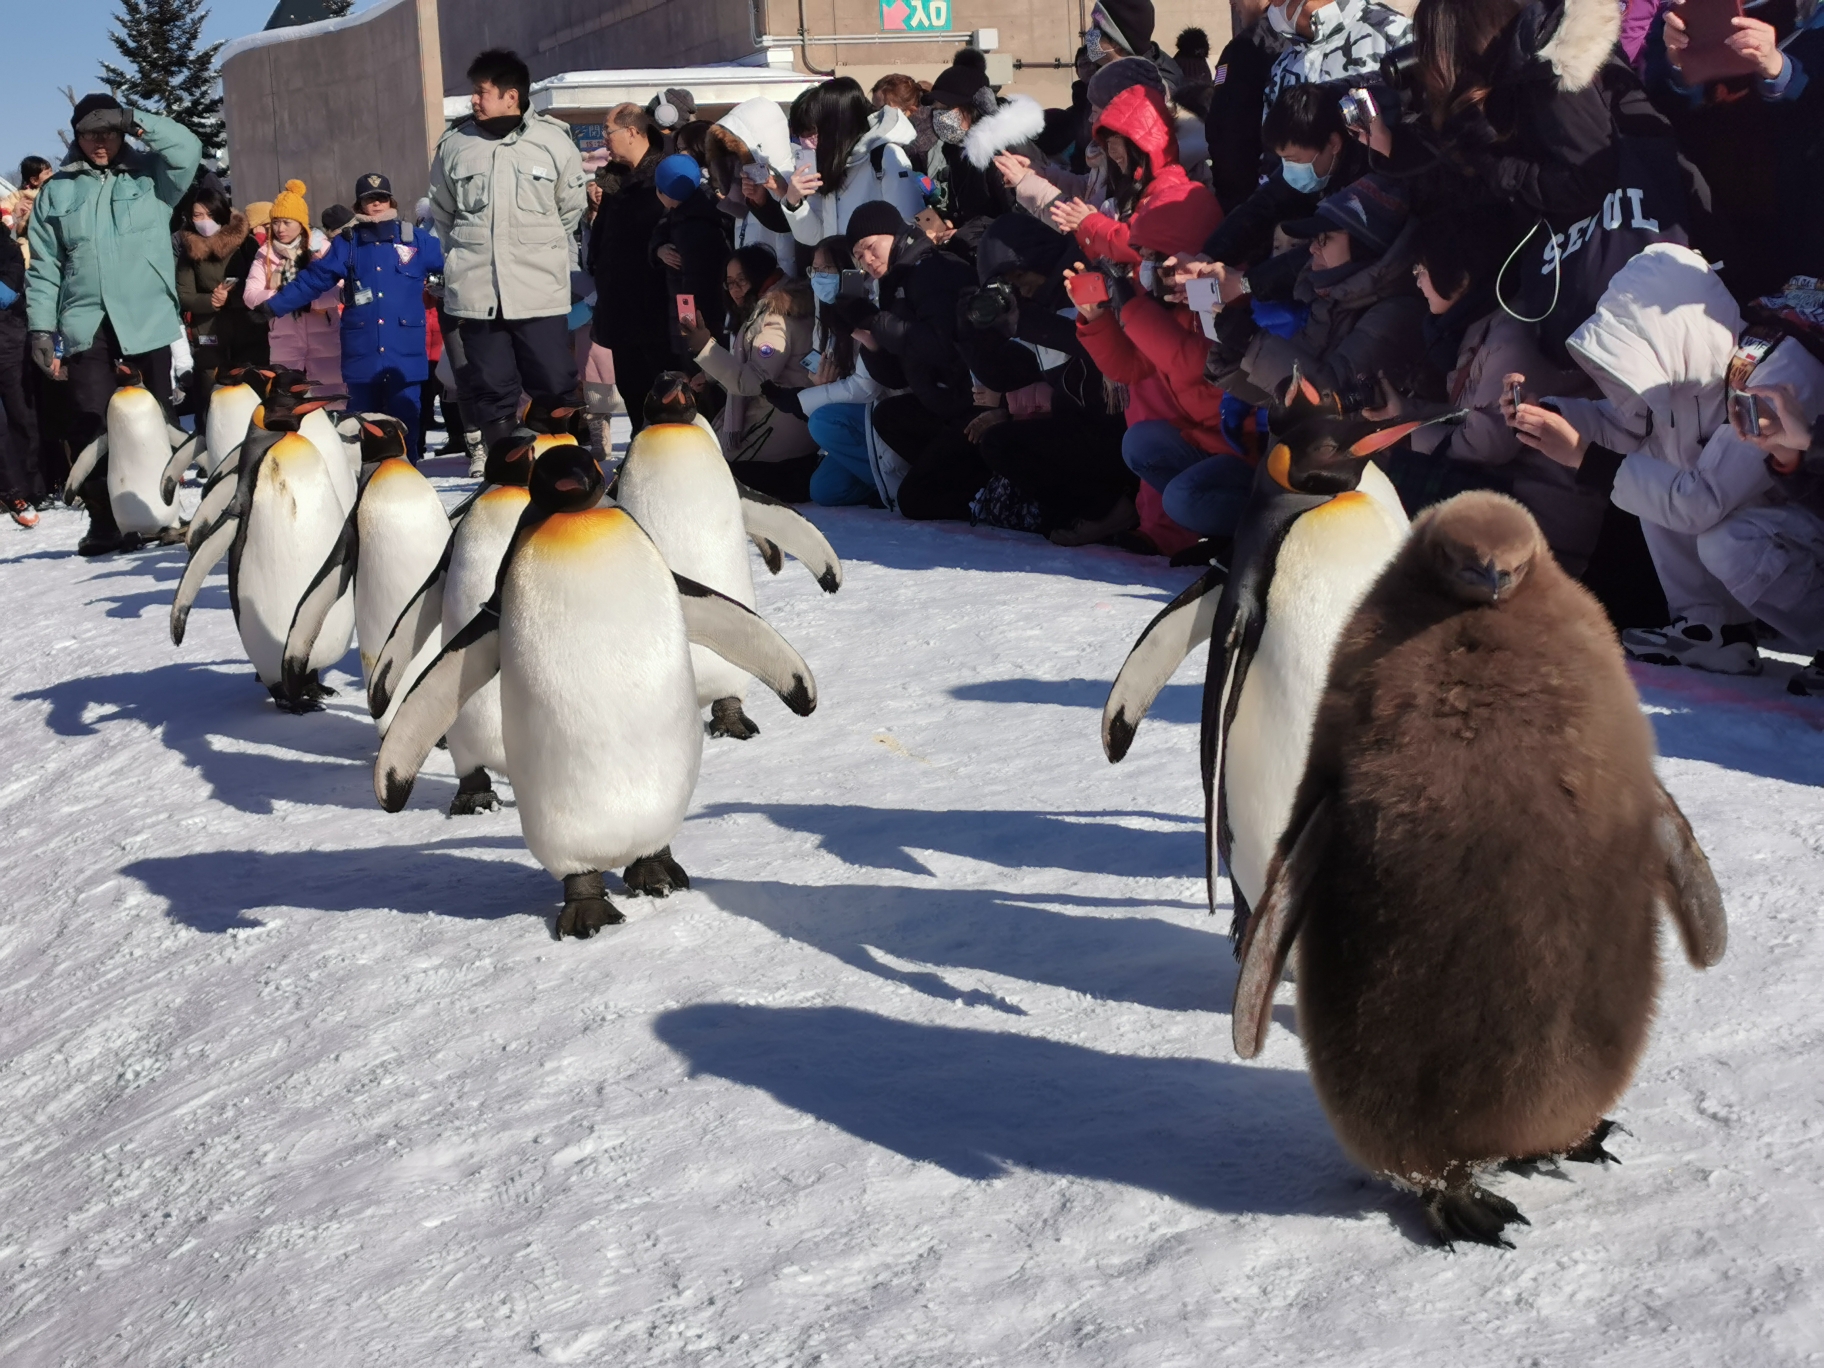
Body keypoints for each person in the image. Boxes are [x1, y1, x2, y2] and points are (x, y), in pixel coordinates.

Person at [1504, 244, 1824, 672]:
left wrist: (1582, 455)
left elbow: (1701, 500)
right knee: (1655, 462)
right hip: (1775, 517)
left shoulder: (1776, 375)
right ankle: (1712, 628)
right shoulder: (1695, 371)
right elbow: (1633, 425)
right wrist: (1550, 417)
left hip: (1807, 521)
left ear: (1681, 330)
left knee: (1726, 541)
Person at [26, 93, 203, 554]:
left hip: (145, 317)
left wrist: (133, 118)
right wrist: (41, 327)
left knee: (156, 419)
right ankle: (105, 520)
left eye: (107, 131)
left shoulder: (154, 175)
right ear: (77, 135)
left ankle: (163, 513)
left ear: (121, 130)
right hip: (87, 322)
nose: (99, 142)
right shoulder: (57, 189)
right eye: (89, 133)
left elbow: (188, 148)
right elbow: (44, 266)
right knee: (90, 422)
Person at [428, 48, 588, 452]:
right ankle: (505, 471)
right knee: (490, 388)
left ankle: (562, 465)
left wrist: (536, 249)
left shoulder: (552, 141)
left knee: (554, 381)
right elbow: (443, 214)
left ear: (511, 95)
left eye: (482, 92)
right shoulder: (455, 145)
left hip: (539, 293)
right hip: (478, 294)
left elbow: (570, 210)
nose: (474, 101)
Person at [261, 173, 444, 450]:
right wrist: (273, 306)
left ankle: (410, 470)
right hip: (363, 351)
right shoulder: (347, 244)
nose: (377, 204)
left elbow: (456, 267)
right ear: (359, 206)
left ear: (390, 200)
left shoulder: (416, 240)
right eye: (369, 200)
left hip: (404, 351)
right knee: (362, 422)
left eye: (381, 198)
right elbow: (314, 280)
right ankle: (366, 477)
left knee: (407, 419)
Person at [829, 200, 980, 521]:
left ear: (894, 234)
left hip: (971, 407)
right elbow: (897, 376)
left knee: (915, 501)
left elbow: (942, 345)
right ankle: (959, 479)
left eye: (870, 247)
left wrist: (877, 322)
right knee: (888, 416)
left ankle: (983, 493)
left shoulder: (930, 270)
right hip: (940, 403)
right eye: (858, 257)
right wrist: (864, 334)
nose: (867, 260)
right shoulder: (895, 280)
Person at [685, 245, 821, 499]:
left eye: (742, 280)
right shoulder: (769, 306)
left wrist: (704, 345)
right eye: (729, 283)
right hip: (790, 426)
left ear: (759, 277)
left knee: (707, 476)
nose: (735, 289)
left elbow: (753, 382)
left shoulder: (775, 318)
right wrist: (711, 375)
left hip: (778, 428)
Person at [588, 103, 670, 434]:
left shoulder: (663, 176)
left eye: (608, 131)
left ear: (632, 132)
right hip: (620, 309)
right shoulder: (615, 181)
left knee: (662, 395)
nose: (604, 138)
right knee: (633, 392)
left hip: (656, 310)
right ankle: (641, 450)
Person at [777, 77, 925, 250]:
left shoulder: (884, 157)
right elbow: (817, 236)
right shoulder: (831, 165)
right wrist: (794, 202)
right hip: (843, 271)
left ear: (838, 124)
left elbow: (907, 227)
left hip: (878, 272)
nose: (809, 139)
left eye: (815, 130)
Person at [242, 179, 341, 392]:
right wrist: (283, 297)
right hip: (284, 336)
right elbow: (250, 296)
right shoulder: (265, 254)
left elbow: (340, 289)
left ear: (301, 223)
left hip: (324, 334)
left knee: (330, 392)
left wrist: (307, 299)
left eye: (287, 222)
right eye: (276, 222)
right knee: (285, 393)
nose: (280, 228)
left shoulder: (322, 250)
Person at [174, 186, 260, 414]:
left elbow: (260, 282)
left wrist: (232, 294)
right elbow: (184, 295)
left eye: (210, 215)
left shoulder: (246, 244)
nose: (204, 221)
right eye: (197, 215)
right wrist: (211, 300)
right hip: (208, 331)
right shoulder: (189, 250)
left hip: (247, 329)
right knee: (210, 395)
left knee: (251, 387)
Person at [650, 154, 730, 364]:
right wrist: (658, 249)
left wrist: (688, 329)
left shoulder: (691, 226)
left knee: (701, 377)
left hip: (701, 321)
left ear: (662, 192)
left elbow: (694, 285)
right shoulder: (698, 206)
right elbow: (662, 229)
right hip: (710, 313)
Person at [0, 215, 38, 524]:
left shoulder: (8, 249)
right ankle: (9, 489)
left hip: (8, 339)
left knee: (19, 413)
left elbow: (7, 293)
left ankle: (29, 485)